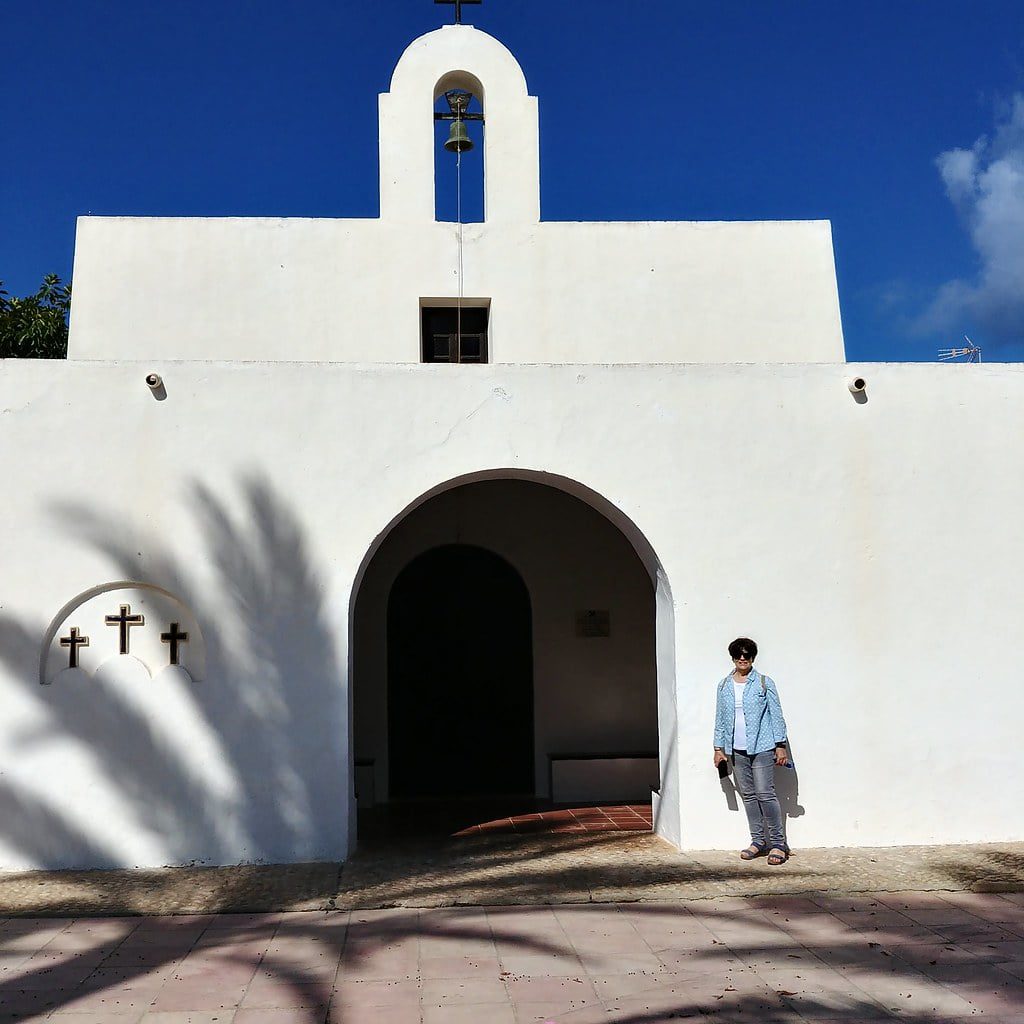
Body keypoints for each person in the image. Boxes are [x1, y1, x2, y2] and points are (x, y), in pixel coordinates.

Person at [713, 638, 791, 865]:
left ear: (753, 658)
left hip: (763, 746)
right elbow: (720, 718)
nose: (743, 659)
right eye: (739, 655)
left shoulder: (764, 683)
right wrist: (718, 748)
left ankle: (778, 843)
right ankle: (758, 841)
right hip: (736, 750)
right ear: (733, 657)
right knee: (748, 795)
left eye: (747, 655)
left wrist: (780, 745)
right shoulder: (724, 685)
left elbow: (776, 715)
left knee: (765, 793)